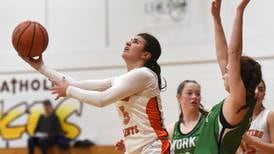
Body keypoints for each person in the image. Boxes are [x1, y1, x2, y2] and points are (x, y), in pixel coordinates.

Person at [20, 33, 170, 154]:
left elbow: (101, 100)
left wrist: (69, 91)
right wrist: (41, 68)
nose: (128, 42)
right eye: (130, 40)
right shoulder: (121, 80)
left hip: (153, 147)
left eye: (136, 41)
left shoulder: (145, 75)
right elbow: (74, 83)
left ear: (146, 55)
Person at [193, 0, 262, 153]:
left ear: (238, 77)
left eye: (228, 72)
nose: (224, 75)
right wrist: (216, 18)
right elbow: (224, 57)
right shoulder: (240, 100)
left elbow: (233, 53)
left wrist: (239, 10)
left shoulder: (239, 100)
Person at [167, 80, 208, 153]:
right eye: (189, 93)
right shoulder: (172, 129)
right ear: (178, 97)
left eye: (198, 94)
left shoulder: (208, 121)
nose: (194, 96)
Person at [237, 80, 274, 153]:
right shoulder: (240, 118)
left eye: (260, 90)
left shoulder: (269, 116)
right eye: (253, 88)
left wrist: (252, 141)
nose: (256, 92)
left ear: (264, 95)